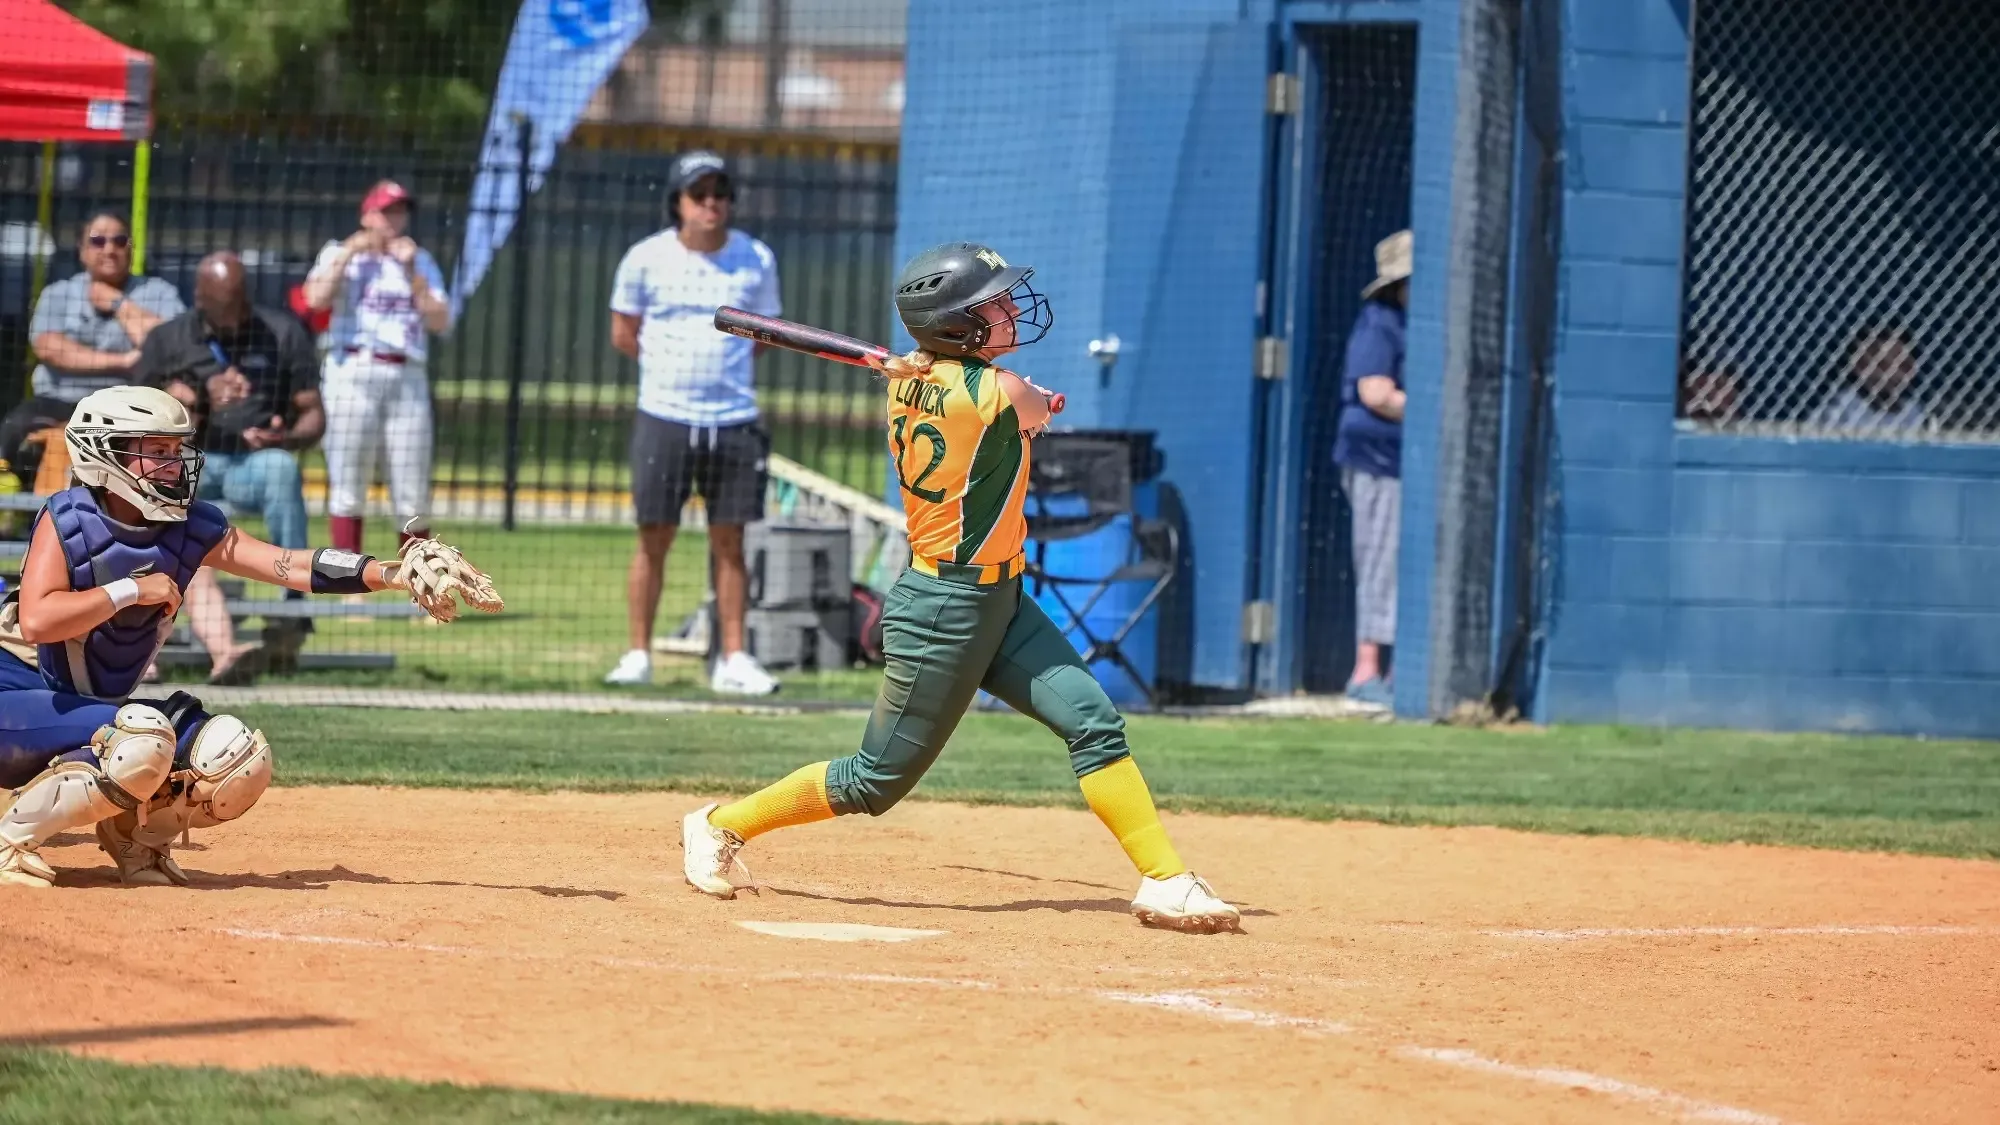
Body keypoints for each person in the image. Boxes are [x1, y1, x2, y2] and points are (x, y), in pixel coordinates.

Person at [679, 242, 1241, 934]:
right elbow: (1032, 404)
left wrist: (936, 371)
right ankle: (718, 824)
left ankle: (1166, 879)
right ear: (953, 325)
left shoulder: (910, 380)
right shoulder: (997, 392)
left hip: (999, 601)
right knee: (873, 780)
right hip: (942, 610)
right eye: (991, 305)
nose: (1008, 310)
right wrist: (1025, 396)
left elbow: (988, 400)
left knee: (1092, 722)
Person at [0, 386, 500, 888]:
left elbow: (289, 565)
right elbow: (38, 619)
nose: (172, 465)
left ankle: (136, 842)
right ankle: (10, 843)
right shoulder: (67, 518)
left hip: (99, 713)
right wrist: (132, 589)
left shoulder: (190, 524)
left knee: (234, 756)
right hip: (23, 709)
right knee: (142, 739)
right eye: (155, 452)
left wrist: (389, 573)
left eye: (175, 451)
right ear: (104, 453)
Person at [604, 151, 781, 695]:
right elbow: (624, 333)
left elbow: (765, 338)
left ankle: (734, 658)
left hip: (734, 419)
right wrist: (673, 374)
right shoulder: (645, 258)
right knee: (653, 537)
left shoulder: (756, 258)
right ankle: (638, 654)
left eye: (720, 194)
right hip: (665, 417)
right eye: (699, 194)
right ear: (677, 202)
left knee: (731, 541)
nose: (711, 204)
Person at [135, 251, 326, 682]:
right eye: (222, 308)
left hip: (251, 463)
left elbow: (314, 414)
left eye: (239, 305)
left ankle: (292, 612)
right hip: (186, 462)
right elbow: (135, 410)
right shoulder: (169, 339)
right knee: (160, 483)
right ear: (200, 299)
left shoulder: (280, 333)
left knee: (281, 467)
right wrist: (195, 399)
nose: (233, 317)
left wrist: (286, 436)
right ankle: (140, 642)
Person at [301, 180, 451, 560]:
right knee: (349, 480)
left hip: (405, 374)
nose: (393, 219)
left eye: (399, 211)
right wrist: (350, 251)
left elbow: (440, 320)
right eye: (386, 211)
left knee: (412, 486)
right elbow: (315, 298)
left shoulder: (420, 260)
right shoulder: (340, 252)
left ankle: (420, 587)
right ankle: (350, 586)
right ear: (367, 214)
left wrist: (412, 270)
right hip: (352, 367)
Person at [1, 212, 185, 485]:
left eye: (119, 240)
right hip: (59, 401)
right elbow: (48, 346)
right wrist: (123, 361)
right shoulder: (59, 293)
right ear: (82, 251)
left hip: (127, 405)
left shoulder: (159, 292)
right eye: (98, 241)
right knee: (11, 429)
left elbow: (171, 344)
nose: (109, 249)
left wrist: (118, 304)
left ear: (131, 249)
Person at [1331, 230, 1410, 711]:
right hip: (1378, 461)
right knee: (1381, 557)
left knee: (1410, 562)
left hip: (1411, 466)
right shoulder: (1380, 322)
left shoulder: (1423, 325)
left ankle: (1405, 670)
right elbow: (1375, 393)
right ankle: (1366, 670)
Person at [1811, 322, 1927, 434]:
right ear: (1860, 365)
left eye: (1903, 365)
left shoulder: (1914, 412)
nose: (1894, 373)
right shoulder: (1841, 409)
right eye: (1882, 364)